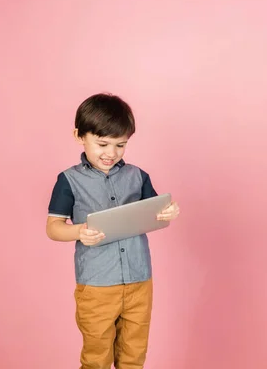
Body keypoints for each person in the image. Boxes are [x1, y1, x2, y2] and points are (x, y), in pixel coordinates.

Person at [46, 93, 179, 369]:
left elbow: (154, 211)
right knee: (96, 358)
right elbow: (54, 228)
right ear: (79, 136)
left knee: (134, 356)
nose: (111, 153)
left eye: (121, 145)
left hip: (139, 280)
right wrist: (80, 231)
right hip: (96, 285)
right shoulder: (68, 180)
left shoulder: (137, 176)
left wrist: (168, 212)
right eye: (102, 143)